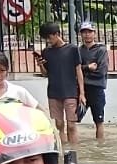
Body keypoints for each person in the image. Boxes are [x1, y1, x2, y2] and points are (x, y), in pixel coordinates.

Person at [36, 22, 84, 151]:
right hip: (53, 92)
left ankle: (74, 152)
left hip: (70, 92)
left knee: (72, 125)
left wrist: (82, 93)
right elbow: (46, 73)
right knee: (59, 124)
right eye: (46, 38)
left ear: (57, 34)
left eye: (49, 37)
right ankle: (64, 151)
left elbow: (78, 70)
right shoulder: (46, 52)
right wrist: (40, 65)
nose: (48, 41)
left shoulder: (73, 49)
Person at [77, 22, 109, 145]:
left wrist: (82, 71)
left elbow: (101, 71)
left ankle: (100, 146)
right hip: (80, 90)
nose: (87, 35)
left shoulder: (101, 50)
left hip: (96, 89)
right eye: (84, 32)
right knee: (73, 119)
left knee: (99, 121)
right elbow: (75, 70)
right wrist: (87, 68)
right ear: (81, 34)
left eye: (89, 32)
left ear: (94, 33)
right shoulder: (79, 51)